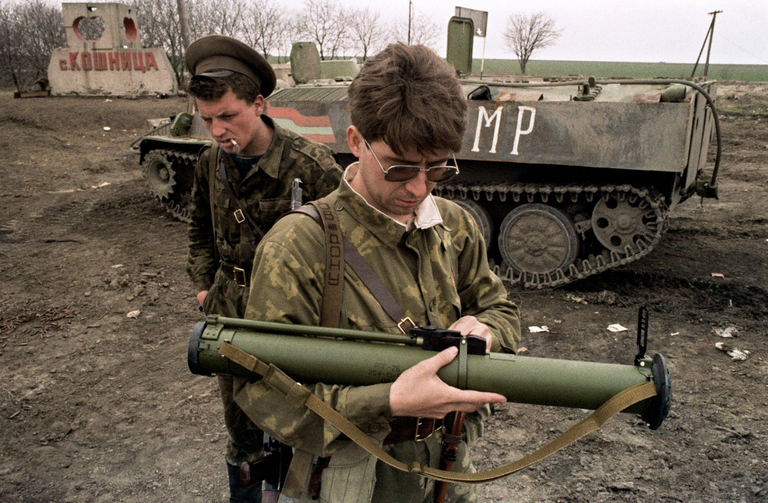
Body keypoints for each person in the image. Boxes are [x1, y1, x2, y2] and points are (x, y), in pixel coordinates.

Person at [234, 43, 521, 503]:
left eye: (437, 169)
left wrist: (486, 329)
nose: (417, 187)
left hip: (447, 468)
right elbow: (264, 395)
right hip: (348, 480)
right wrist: (385, 401)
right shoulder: (299, 247)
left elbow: (500, 307)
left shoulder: (455, 225)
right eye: (399, 167)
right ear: (354, 142)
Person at [184, 34, 343, 503]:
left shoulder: (310, 166)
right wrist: (204, 288)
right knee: (242, 426)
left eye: (228, 116)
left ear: (260, 103)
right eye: (207, 118)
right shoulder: (211, 162)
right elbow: (198, 232)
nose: (216, 130)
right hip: (230, 309)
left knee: (301, 415)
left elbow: (347, 248)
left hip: (296, 318)